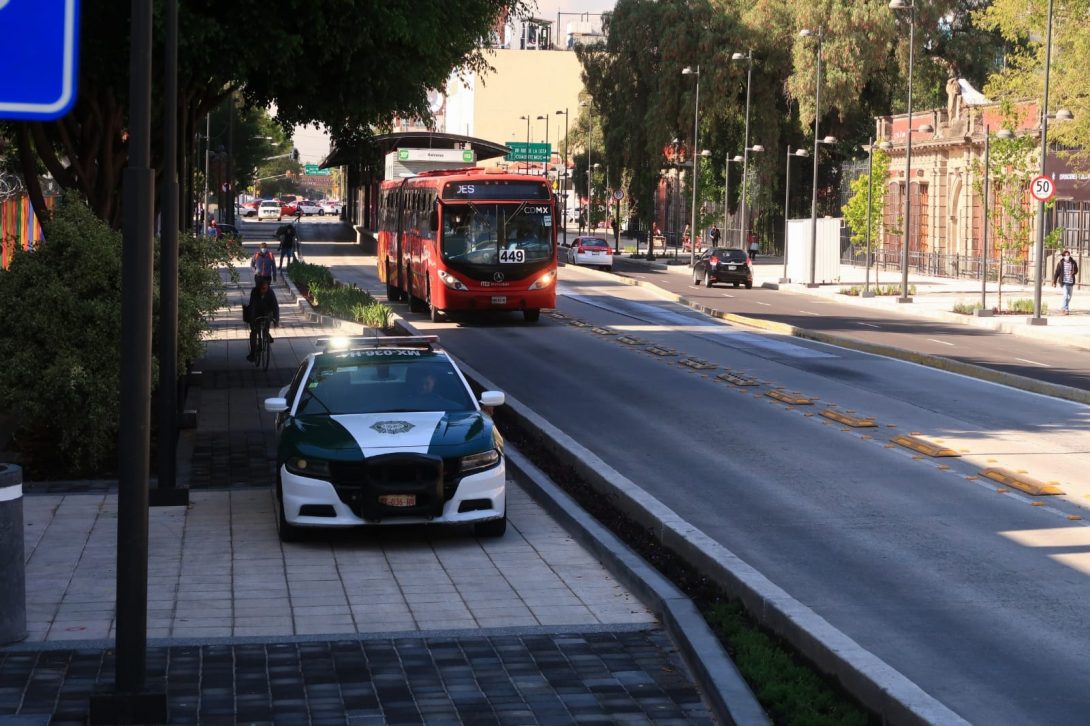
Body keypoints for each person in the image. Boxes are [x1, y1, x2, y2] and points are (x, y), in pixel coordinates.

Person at [245, 278, 280, 362]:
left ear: (268, 287)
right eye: (262, 288)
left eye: (265, 288)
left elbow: (275, 307)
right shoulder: (254, 292)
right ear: (259, 287)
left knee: (266, 326)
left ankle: (266, 333)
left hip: (267, 312)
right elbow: (252, 305)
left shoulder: (270, 293)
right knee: (253, 332)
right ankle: (253, 353)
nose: (263, 290)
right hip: (257, 312)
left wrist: (276, 320)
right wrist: (251, 319)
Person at [1052, 249, 1079, 315]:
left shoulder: (1073, 262)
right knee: (1065, 296)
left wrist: (1074, 272)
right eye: (1066, 255)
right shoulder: (1060, 263)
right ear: (1063, 256)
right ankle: (1066, 309)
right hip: (1064, 282)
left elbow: (1076, 270)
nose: (1067, 256)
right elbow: (1057, 273)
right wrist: (1054, 281)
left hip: (1071, 281)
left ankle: (1063, 307)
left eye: (1068, 255)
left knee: (1069, 297)